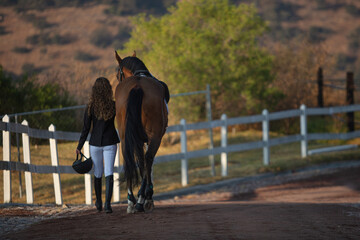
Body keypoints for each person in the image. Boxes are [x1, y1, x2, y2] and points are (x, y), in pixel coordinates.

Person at [76, 77, 120, 213]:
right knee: (109, 173)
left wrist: (79, 146)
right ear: (108, 90)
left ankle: (99, 202)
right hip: (110, 142)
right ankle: (107, 204)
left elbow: (85, 128)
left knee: (98, 173)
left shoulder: (90, 107)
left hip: (95, 143)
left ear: (95, 90)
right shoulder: (114, 105)